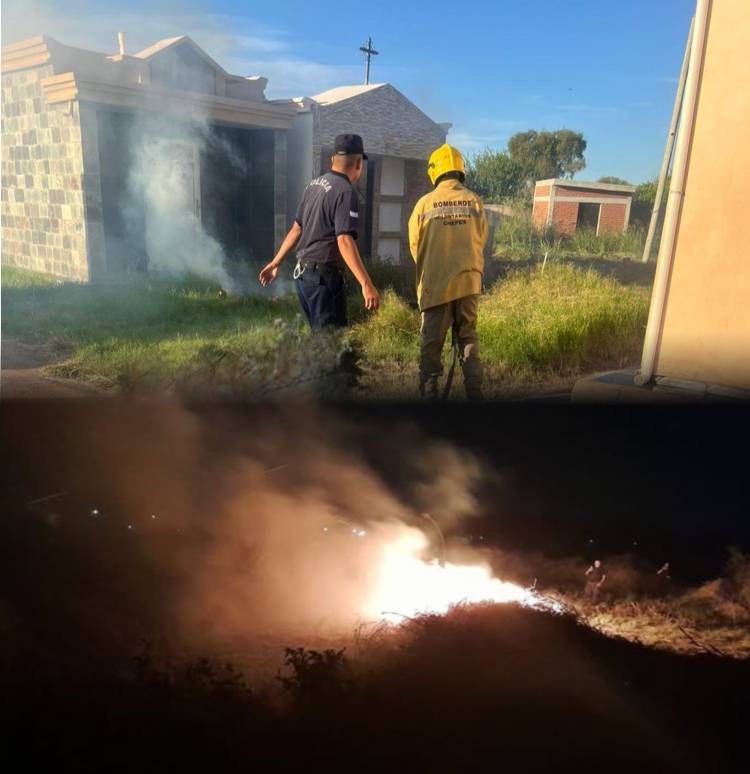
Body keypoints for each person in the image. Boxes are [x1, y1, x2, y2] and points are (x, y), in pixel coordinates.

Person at [259, 133, 379, 327]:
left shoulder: (313, 186)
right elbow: (344, 240)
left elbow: (296, 229)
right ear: (358, 163)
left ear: (333, 159)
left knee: (322, 343)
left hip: (304, 279)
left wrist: (275, 263)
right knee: (330, 349)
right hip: (323, 280)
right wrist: (366, 283)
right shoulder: (346, 192)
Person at [408, 144, 488, 400]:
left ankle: (430, 397)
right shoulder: (475, 201)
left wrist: (433, 266)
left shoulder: (424, 204)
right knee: (468, 337)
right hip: (469, 283)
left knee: (431, 346)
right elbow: (481, 238)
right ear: (459, 169)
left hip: (436, 287)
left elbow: (414, 246)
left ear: (436, 171)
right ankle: (474, 393)